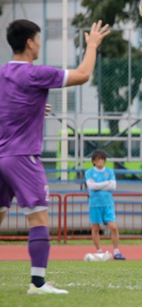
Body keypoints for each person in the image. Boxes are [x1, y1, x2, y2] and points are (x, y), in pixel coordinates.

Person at [0, 19, 110, 295]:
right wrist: (93, 45)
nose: (39, 43)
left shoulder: (3, 74)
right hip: (23, 156)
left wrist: (35, 107)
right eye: (38, 39)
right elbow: (83, 74)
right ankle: (38, 283)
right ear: (29, 42)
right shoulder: (35, 74)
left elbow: (13, 105)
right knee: (38, 220)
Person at [85, 150, 125, 260]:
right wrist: (106, 183)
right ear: (93, 161)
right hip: (94, 204)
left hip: (107, 203)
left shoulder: (109, 171)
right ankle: (99, 251)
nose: (100, 161)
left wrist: (98, 185)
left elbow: (113, 186)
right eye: (97, 159)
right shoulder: (89, 172)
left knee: (113, 227)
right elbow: (91, 186)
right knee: (95, 227)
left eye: (102, 159)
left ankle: (116, 251)